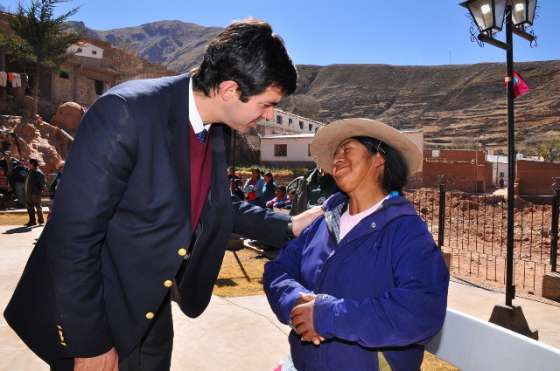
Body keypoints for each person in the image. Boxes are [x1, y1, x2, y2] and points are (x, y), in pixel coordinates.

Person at [4, 19, 323, 371]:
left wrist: (288, 225)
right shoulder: (126, 113)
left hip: (150, 315)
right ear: (230, 90)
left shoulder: (217, 128)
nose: (269, 115)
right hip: (98, 316)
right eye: (267, 103)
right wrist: (90, 342)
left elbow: (212, 202)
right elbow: (72, 236)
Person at [264, 118, 449, 371]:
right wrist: (295, 302)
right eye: (335, 153)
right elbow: (277, 271)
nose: (337, 158)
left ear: (378, 159)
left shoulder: (405, 230)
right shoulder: (322, 223)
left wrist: (328, 316)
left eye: (347, 149)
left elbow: (421, 310)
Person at [24, 158, 46, 226]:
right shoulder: (30, 171)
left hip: (35, 194)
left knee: (38, 207)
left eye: (29, 163)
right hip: (29, 193)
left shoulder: (38, 172)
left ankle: (41, 221)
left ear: (32, 164)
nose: (28, 164)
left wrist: (37, 192)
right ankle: (32, 221)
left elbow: (42, 184)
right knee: (30, 208)